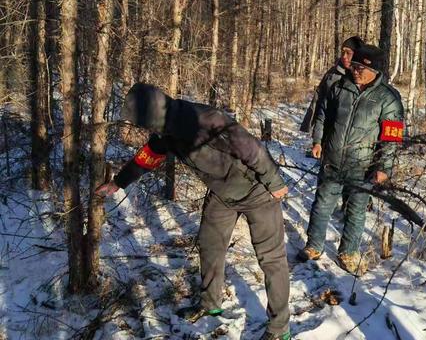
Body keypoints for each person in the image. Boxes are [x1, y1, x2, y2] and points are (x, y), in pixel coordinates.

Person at [97, 83, 291, 340]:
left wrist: (274, 182)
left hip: (258, 192)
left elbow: (251, 148)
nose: (144, 128)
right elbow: (148, 157)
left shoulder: (205, 119)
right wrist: (118, 182)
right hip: (222, 194)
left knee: (271, 259)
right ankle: (210, 303)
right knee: (209, 245)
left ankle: (279, 328)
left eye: (143, 121)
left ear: (154, 112)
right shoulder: (165, 131)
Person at [298, 45, 404, 275]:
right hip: (333, 160)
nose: (355, 71)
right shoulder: (340, 87)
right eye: (354, 66)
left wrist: (384, 167)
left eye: (361, 68)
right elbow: (323, 115)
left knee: (355, 211)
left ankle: (348, 252)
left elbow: (392, 137)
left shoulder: (388, 98)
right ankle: (314, 245)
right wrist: (317, 141)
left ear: (374, 70)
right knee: (322, 205)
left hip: (363, 166)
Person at [300, 36, 364, 134]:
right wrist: (308, 125)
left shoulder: (366, 77)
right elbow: (318, 98)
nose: (344, 56)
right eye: (342, 52)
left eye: (349, 53)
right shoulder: (333, 74)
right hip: (329, 130)